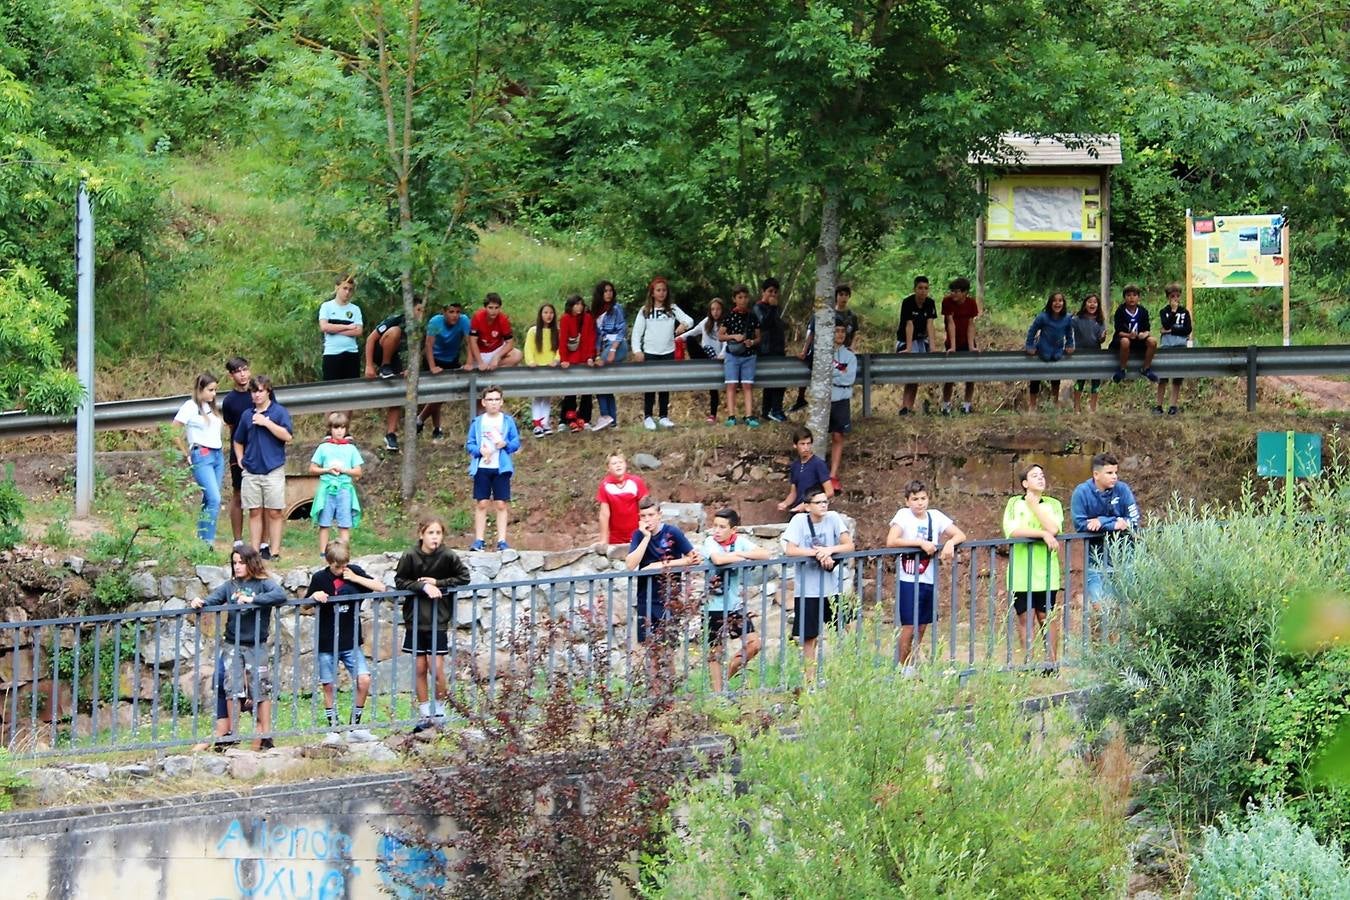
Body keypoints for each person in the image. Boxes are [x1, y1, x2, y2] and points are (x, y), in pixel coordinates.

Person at [190, 544, 287, 750]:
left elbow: (280, 596)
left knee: (259, 688)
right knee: (231, 687)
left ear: (251, 563)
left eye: (241, 562)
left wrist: (252, 600)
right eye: (234, 563)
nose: (237, 567)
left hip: (256, 645)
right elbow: (213, 599)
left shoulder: (263, 584)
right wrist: (200, 602)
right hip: (232, 644)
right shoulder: (229, 586)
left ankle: (266, 737)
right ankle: (232, 734)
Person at [394, 518, 471, 732]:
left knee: (436, 668)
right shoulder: (410, 555)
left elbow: (464, 577)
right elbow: (400, 581)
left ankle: (440, 711)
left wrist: (438, 583)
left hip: (438, 619)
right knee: (419, 667)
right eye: (430, 532)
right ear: (421, 534)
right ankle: (425, 713)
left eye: (438, 532)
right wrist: (421, 587)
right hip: (416, 619)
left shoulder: (448, 556)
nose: (435, 537)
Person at [304, 540, 384, 735]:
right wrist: (314, 596)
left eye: (344, 565)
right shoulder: (320, 578)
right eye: (337, 566)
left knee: (363, 680)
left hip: (350, 641)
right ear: (329, 562)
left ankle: (355, 725)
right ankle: (333, 727)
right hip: (327, 641)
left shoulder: (353, 572)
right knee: (329, 684)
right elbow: (305, 604)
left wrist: (356, 578)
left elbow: (380, 587)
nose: (341, 570)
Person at [886, 480, 965, 674]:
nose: (920, 503)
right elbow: (891, 540)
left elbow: (959, 534)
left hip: (928, 577)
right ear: (907, 501)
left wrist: (949, 544)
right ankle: (901, 667)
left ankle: (912, 663)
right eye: (915, 499)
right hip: (908, 578)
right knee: (909, 625)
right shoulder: (903, 516)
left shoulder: (935, 516)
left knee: (922, 625)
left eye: (923, 498)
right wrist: (919, 543)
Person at [783, 487, 854, 681]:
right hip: (807, 590)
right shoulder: (799, 521)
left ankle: (852, 671)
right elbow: (790, 549)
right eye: (819, 502)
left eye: (825, 502)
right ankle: (810, 680)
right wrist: (816, 553)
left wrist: (829, 550)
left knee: (847, 625)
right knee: (809, 636)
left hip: (832, 588)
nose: (824, 505)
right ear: (807, 506)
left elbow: (849, 545)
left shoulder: (833, 518)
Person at [1002, 464, 1064, 667]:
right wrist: (1042, 534)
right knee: (1025, 616)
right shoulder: (1013, 503)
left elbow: (1054, 527)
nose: (1040, 478)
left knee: (1047, 616)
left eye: (1042, 475)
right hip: (1021, 571)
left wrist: (1034, 505)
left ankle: (1051, 663)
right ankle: (1029, 662)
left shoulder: (1053, 504)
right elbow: (1012, 530)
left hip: (1046, 571)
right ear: (1025, 483)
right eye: (1034, 476)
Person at [701, 508, 769, 691]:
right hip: (714, 605)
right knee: (715, 652)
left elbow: (764, 554)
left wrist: (740, 555)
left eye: (722, 527)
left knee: (754, 644)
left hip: (734, 606)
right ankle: (717, 694)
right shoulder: (709, 542)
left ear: (733, 530)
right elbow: (718, 559)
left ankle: (728, 674)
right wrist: (741, 557)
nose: (716, 530)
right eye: (714, 526)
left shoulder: (739, 542)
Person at [232, 375, 293, 561]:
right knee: (254, 511)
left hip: (273, 469)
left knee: (275, 511)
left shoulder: (279, 412)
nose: (257, 395)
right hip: (251, 471)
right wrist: (241, 459)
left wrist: (266, 422)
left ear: (268, 391)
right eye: (253, 391)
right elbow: (238, 440)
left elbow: (287, 436)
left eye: (260, 391)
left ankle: (274, 552)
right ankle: (255, 552)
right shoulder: (246, 415)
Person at [625, 497, 700, 648]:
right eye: (643, 516)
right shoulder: (638, 535)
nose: (647, 520)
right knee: (649, 648)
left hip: (668, 598)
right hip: (645, 598)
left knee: (667, 650)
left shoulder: (672, 532)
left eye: (651, 515)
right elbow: (631, 564)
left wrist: (659, 565)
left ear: (659, 514)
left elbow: (694, 558)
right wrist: (646, 538)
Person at [1070, 452, 1139, 612]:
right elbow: (1080, 524)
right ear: (1096, 474)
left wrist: (1101, 521)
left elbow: (1133, 521)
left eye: (1115, 472)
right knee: (1100, 610)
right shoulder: (1081, 492)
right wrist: (1115, 523)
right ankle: (1099, 638)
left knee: (1125, 610)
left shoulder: (1123, 490)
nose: (1114, 476)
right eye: (1109, 473)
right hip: (1096, 562)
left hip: (1124, 561)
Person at [631, 276, 693, 430]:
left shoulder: (672, 308)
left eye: (664, 290)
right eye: (658, 290)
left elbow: (690, 320)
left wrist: (683, 325)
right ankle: (648, 416)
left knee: (665, 384)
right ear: (652, 293)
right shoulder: (645, 310)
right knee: (650, 385)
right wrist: (637, 350)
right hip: (651, 352)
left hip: (668, 352)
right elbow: (637, 333)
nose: (661, 293)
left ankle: (664, 416)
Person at [364, 297, 426, 452]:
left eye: (423, 310)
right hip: (381, 350)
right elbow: (371, 339)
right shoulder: (397, 319)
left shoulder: (421, 328)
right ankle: (384, 366)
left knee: (398, 394)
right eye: (418, 309)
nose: (421, 313)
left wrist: (410, 368)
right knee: (395, 331)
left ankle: (390, 435)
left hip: (397, 359)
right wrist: (369, 365)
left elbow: (420, 350)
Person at [465, 385, 521, 551]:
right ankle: (479, 540)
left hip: (500, 467)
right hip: (482, 466)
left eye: (497, 399)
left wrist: (505, 444)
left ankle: (502, 540)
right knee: (482, 503)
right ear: (483, 402)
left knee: (501, 504)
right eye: (490, 400)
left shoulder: (507, 421)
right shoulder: (478, 422)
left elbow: (515, 442)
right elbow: (470, 444)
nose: (494, 403)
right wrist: (479, 451)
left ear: (502, 401)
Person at [173, 372, 226, 548]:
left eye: (215, 390)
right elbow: (174, 429)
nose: (213, 394)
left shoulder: (211, 408)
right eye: (210, 390)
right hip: (202, 454)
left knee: (210, 499)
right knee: (215, 498)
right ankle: (207, 542)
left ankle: (202, 539)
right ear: (200, 389)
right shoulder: (190, 406)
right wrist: (185, 452)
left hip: (217, 454)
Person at [791, 284, 860, 414]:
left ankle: (836, 404)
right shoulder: (825, 313)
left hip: (841, 352)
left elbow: (855, 333)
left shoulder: (851, 316)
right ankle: (804, 399)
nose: (843, 298)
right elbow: (811, 333)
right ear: (836, 297)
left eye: (846, 295)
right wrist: (804, 351)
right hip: (824, 351)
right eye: (841, 295)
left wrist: (852, 347)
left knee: (838, 374)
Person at [308, 412, 364, 556]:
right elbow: (312, 468)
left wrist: (344, 470)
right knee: (324, 523)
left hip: (344, 489)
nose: (339, 431)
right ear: (330, 429)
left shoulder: (351, 448)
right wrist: (327, 469)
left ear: (346, 430)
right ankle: (323, 552)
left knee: (344, 524)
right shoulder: (323, 448)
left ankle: (343, 553)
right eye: (336, 427)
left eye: (342, 428)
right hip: (327, 489)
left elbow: (358, 471)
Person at [416, 300, 470, 440]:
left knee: (441, 395)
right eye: (451, 312)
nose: (455, 316)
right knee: (437, 395)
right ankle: (436, 428)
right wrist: (432, 366)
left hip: (451, 359)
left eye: (458, 312)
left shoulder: (464, 321)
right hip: (434, 358)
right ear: (444, 312)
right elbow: (428, 344)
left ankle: (421, 420)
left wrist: (469, 362)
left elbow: (470, 342)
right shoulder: (435, 322)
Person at [220, 357, 255, 546]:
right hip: (239, 451)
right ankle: (238, 540)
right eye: (237, 371)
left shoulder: (259, 391)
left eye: (245, 369)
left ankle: (262, 542)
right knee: (238, 493)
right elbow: (231, 426)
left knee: (261, 497)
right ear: (231, 375)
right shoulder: (230, 401)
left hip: (260, 450)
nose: (242, 374)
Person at [1024, 291, 1076, 410]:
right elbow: (1032, 331)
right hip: (1042, 349)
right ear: (1050, 303)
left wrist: (1070, 344)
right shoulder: (1043, 316)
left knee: (1056, 375)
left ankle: (1054, 402)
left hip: (1057, 350)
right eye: (1055, 301)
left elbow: (1069, 333)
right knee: (1036, 376)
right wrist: (1029, 346)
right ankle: (1032, 405)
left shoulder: (1067, 318)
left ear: (1063, 303)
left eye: (1060, 301)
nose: (1057, 303)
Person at [896, 275, 939, 416]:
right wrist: (908, 348)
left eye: (926, 288)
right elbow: (909, 325)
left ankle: (909, 407)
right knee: (911, 373)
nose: (923, 291)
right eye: (920, 288)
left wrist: (932, 347)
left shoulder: (930, 303)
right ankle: (905, 406)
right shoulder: (907, 302)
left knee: (917, 375)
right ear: (915, 289)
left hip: (921, 340)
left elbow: (930, 324)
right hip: (907, 339)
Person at [718, 285, 760, 427]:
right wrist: (734, 336)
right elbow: (720, 336)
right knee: (731, 385)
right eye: (739, 298)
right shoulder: (729, 316)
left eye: (745, 297)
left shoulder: (752, 316)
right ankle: (731, 416)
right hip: (732, 355)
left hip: (749, 355)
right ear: (734, 299)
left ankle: (749, 416)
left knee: (747, 385)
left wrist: (752, 342)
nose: (743, 300)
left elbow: (759, 337)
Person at [558, 293, 599, 432]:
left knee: (587, 390)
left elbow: (590, 338)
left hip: (584, 359)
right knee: (570, 390)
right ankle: (567, 419)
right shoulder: (565, 319)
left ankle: (585, 419)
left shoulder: (587, 318)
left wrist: (590, 356)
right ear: (571, 305)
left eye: (581, 304)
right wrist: (564, 358)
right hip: (570, 360)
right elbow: (563, 339)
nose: (579, 307)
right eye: (576, 304)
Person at [939, 277, 981, 414]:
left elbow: (971, 324)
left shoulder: (971, 303)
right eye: (952, 291)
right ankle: (946, 405)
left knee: (971, 374)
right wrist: (952, 346)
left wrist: (971, 346)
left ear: (964, 293)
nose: (953, 294)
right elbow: (950, 323)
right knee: (949, 375)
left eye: (956, 292)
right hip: (952, 342)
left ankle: (967, 405)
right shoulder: (947, 302)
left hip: (966, 340)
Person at [590, 280, 626, 432]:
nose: (609, 294)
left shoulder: (616, 309)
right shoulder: (596, 312)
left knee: (598, 379)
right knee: (605, 384)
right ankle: (612, 421)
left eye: (611, 291)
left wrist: (612, 350)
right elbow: (597, 336)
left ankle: (605, 416)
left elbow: (622, 330)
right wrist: (597, 353)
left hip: (618, 346)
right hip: (604, 347)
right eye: (605, 291)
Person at [776, 426, 834, 514]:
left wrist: (810, 503)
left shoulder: (818, 464)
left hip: (814, 513)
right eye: (802, 444)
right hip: (798, 512)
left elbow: (829, 492)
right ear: (795, 445)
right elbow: (793, 493)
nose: (806, 447)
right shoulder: (795, 466)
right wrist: (785, 503)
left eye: (808, 443)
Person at [827, 321, 857, 491]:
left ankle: (833, 475)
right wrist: (839, 372)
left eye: (842, 332)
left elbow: (849, 379)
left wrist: (833, 374)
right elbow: (820, 374)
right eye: (836, 331)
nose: (839, 334)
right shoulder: (823, 354)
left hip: (841, 398)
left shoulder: (850, 356)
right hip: (825, 399)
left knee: (838, 436)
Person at [524, 302, 561, 436]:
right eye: (545, 312)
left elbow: (560, 348)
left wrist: (556, 360)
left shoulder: (556, 331)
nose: (548, 315)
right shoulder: (533, 331)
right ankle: (537, 424)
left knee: (547, 396)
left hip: (550, 367)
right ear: (541, 314)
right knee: (537, 395)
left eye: (551, 313)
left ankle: (545, 423)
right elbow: (528, 348)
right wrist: (531, 362)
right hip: (537, 368)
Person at [1109, 284, 1159, 385]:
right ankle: (1122, 369)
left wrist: (1144, 335)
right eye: (1128, 295)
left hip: (1138, 339)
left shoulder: (1142, 311)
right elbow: (1119, 331)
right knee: (1125, 341)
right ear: (1124, 297)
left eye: (1134, 295)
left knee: (1152, 341)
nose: (1131, 298)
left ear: (1138, 297)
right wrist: (1129, 335)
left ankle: (1146, 368)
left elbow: (1147, 330)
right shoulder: (1120, 311)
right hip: (1124, 339)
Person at [596, 451, 649, 547]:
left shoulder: (636, 482)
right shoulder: (605, 485)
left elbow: (646, 507)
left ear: (625, 465)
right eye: (614, 463)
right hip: (616, 537)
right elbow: (604, 514)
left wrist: (647, 530)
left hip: (638, 533)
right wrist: (603, 539)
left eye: (620, 462)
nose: (618, 465)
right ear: (608, 468)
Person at [753, 277, 788, 422]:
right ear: (763, 292)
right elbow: (764, 325)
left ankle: (767, 411)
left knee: (776, 381)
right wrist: (773, 308)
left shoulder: (775, 308)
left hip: (778, 349)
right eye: (770, 291)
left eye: (775, 292)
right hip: (766, 350)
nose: (773, 295)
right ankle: (775, 410)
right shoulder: (758, 308)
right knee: (776, 381)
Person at [688, 297, 726, 423]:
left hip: (717, 358)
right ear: (710, 311)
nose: (715, 312)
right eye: (713, 309)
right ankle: (697, 367)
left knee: (713, 388)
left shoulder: (726, 323)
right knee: (690, 340)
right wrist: (676, 339)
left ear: (722, 310)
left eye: (718, 309)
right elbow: (693, 332)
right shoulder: (705, 322)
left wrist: (722, 354)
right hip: (705, 356)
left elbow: (727, 343)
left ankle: (713, 415)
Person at [319, 273, 363, 381]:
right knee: (331, 389)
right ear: (337, 287)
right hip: (332, 354)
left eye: (350, 289)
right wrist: (348, 327)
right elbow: (324, 327)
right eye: (344, 288)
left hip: (351, 354)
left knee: (352, 389)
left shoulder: (355, 309)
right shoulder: (326, 306)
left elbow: (358, 331)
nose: (347, 292)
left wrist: (333, 329)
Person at [1155, 283, 1191, 415]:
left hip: (1180, 345)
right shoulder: (1164, 311)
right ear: (1168, 297)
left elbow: (1188, 329)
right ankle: (1158, 405)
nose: (1175, 298)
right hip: (1167, 346)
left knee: (1177, 378)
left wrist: (1171, 330)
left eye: (1177, 296)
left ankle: (1173, 405)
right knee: (1162, 377)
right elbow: (1165, 323)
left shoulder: (1185, 312)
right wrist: (1173, 312)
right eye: (1172, 296)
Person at [466, 292, 523, 372]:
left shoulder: (503, 319)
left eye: (496, 308)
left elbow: (510, 342)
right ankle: (481, 368)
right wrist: (480, 362)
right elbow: (472, 341)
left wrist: (497, 357)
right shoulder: (477, 317)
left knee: (518, 355)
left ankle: (493, 369)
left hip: (497, 349)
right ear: (485, 307)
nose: (494, 311)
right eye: (490, 307)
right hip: (481, 352)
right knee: (471, 351)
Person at [1071, 293, 1107, 413]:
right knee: (1080, 379)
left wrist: (1103, 337)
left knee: (1096, 380)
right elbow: (1067, 330)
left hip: (1096, 353)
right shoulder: (1077, 319)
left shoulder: (1100, 321)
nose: (1092, 304)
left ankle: (1093, 407)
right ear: (1085, 304)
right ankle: (1076, 407)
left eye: (1095, 302)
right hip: (1081, 354)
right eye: (1089, 301)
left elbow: (1101, 339)